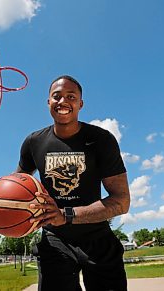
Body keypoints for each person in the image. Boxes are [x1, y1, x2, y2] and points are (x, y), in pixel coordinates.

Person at [16, 75, 130, 291]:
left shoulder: (101, 139)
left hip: (97, 236)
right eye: (56, 96)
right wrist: (6, 209)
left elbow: (121, 202)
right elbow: (18, 185)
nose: (63, 101)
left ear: (80, 103)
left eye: (71, 96)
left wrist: (66, 214)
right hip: (54, 240)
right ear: (48, 102)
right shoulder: (34, 142)